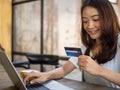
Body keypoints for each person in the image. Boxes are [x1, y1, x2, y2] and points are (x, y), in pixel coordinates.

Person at [24, 0, 120, 89]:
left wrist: (99, 70)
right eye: (85, 21)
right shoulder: (86, 46)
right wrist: (45, 75)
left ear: (108, 18)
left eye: (95, 19)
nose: (89, 26)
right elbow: (63, 70)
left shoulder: (118, 41)